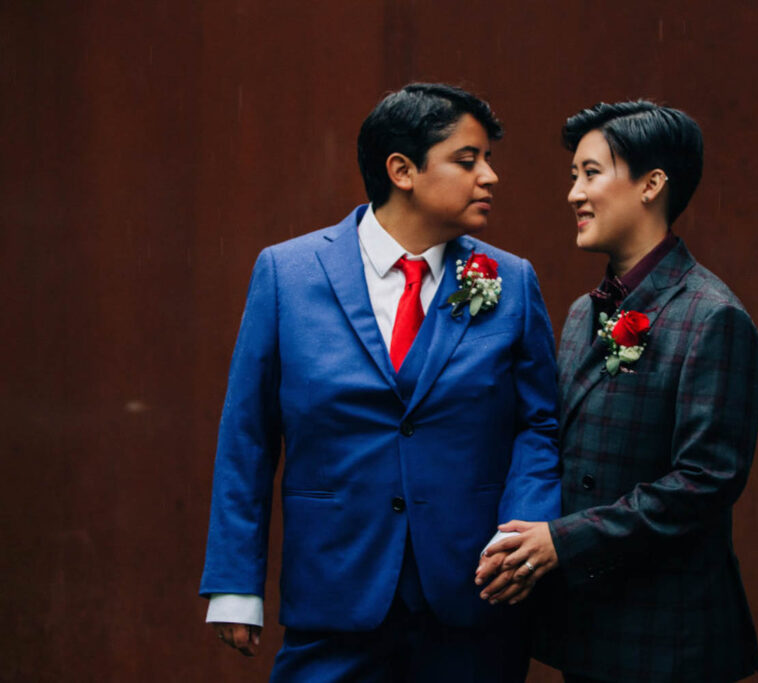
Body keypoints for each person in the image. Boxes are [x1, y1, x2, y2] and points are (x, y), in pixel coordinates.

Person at [199, 83, 561, 682]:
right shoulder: (286, 274)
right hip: (335, 594)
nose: (490, 177)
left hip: (473, 597)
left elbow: (538, 424)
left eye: (488, 161)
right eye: (468, 160)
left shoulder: (511, 281)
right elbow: (248, 435)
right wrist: (236, 581)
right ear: (402, 170)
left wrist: (520, 531)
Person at [478, 101, 758, 682]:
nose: (573, 195)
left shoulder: (712, 316)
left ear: (651, 184)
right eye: (573, 177)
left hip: (669, 638)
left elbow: (704, 482)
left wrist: (563, 540)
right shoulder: (585, 311)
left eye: (591, 174)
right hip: (589, 627)